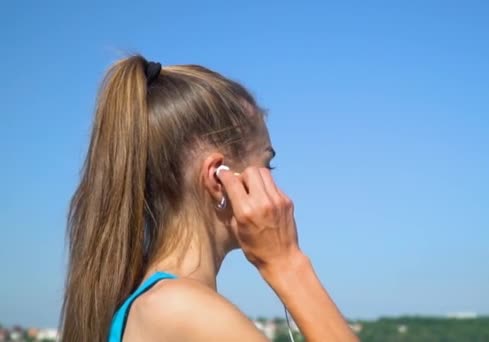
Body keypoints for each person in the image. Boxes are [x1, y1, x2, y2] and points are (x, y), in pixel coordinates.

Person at [60, 55, 358, 342]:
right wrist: (287, 263)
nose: (281, 194)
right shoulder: (181, 309)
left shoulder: (160, 304)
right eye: (267, 165)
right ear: (219, 178)